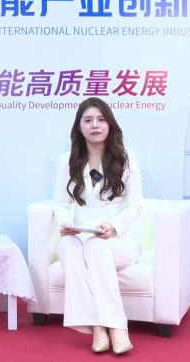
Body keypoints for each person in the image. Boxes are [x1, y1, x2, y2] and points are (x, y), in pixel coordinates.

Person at [55, 97, 143, 355]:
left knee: (98, 247)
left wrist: (113, 226)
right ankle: (97, 327)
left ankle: (116, 328)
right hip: (83, 236)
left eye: (101, 119)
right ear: (79, 127)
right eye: (88, 120)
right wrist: (65, 223)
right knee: (67, 246)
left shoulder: (127, 157)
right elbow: (60, 203)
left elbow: (136, 205)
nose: (95, 125)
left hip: (120, 240)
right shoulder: (66, 161)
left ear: (110, 124)